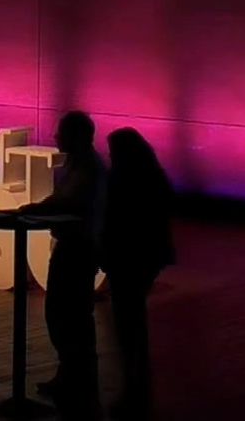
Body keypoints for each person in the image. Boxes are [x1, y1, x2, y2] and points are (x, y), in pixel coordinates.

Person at [18, 110, 105, 407]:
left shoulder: (86, 168)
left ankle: (76, 376)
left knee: (67, 313)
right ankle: (75, 375)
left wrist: (34, 209)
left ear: (75, 136)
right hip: (76, 246)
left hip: (76, 249)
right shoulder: (82, 165)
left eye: (62, 132)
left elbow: (66, 201)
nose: (55, 136)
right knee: (70, 314)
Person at [102, 128, 176, 419]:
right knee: (134, 323)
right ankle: (138, 389)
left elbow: (114, 220)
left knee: (126, 325)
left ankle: (133, 390)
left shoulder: (121, 180)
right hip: (146, 258)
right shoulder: (154, 177)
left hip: (126, 258)